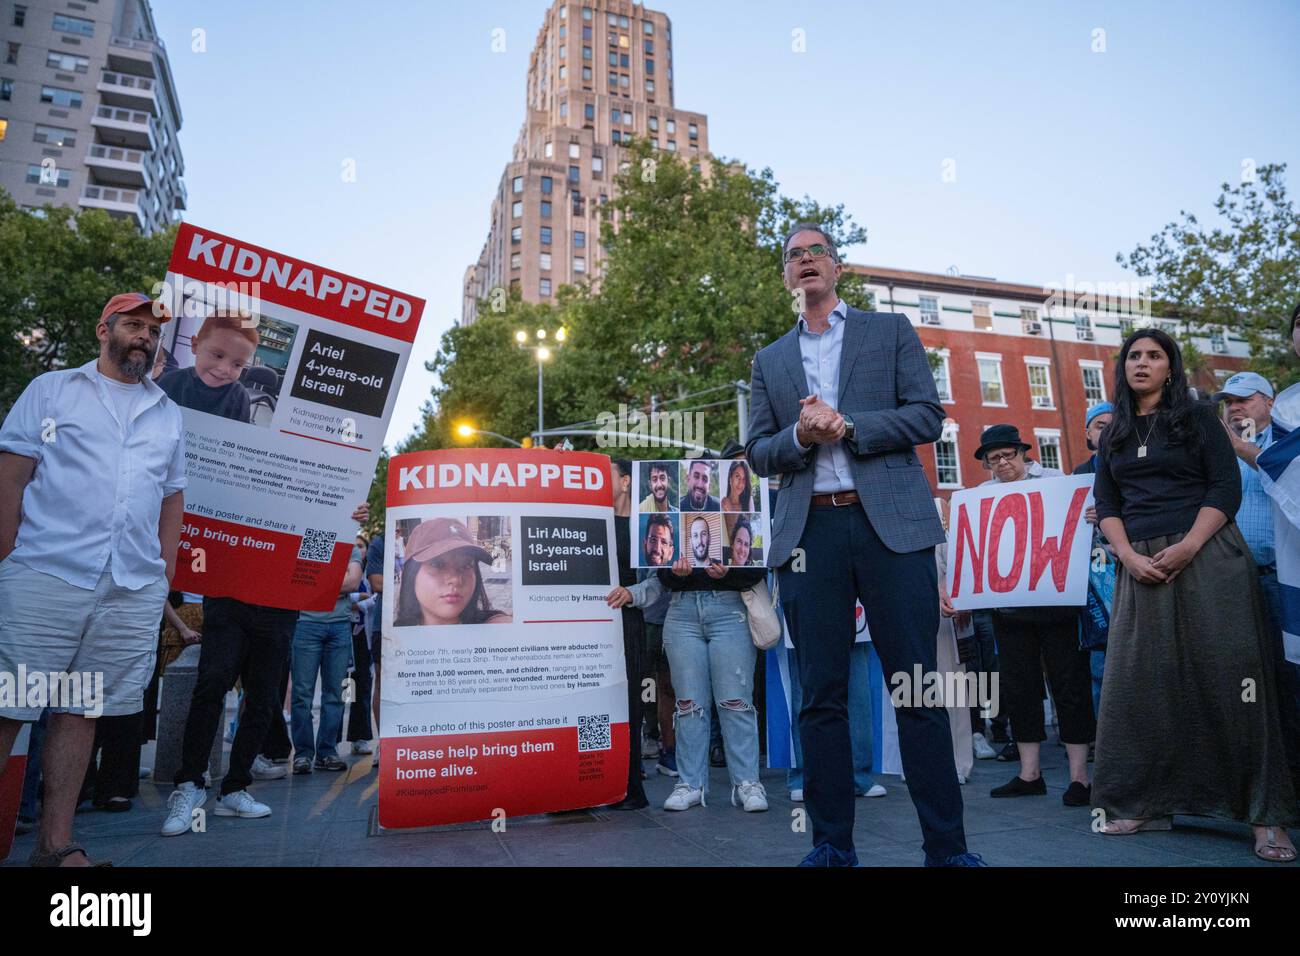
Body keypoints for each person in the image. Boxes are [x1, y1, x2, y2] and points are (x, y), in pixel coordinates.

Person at [747, 222, 977, 867]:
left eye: (817, 251)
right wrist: (799, 436)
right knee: (820, 694)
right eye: (794, 257)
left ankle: (948, 849)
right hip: (809, 535)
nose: (806, 261)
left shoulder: (890, 331)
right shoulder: (770, 359)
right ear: (788, 277)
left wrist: (846, 426)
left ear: (837, 267)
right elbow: (759, 452)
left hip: (892, 529)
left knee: (916, 687)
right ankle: (831, 846)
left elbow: (928, 417)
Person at [1091, 328, 1296, 862]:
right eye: (1133, 355)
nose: (1142, 363)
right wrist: (1127, 556)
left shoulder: (1200, 417)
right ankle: (1143, 803)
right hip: (1141, 566)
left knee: (1235, 681)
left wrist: (1188, 545)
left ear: (1170, 366)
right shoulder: (1114, 432)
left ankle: (1265, 817)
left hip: (1206, 554)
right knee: (1140, 685)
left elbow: (1224, 488)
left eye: (1154, 356)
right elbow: (1107, 502)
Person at [0, 291, 185, 866]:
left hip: (127, 588)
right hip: (47, 575)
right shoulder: (52, 390)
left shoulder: (167, 413)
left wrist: (163, 579)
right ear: (103, 330)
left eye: (152, 332)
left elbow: (172, 500)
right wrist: (4, 560)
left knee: (81, 711)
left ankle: (55, 848)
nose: (144, 338)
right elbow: (10, 479)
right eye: (132, 325)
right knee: (11, 706)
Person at [973, 425, 1096, 806]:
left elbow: (1077, 533)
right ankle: (1030, 774)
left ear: (1023, 453)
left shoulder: (1057, 483)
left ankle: (1080, 778)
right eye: (993, 459)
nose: (1002, 464)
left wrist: (1089, 517)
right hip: (1008, 608)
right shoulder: (981, 497)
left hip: (1057, 603)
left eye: (1008, 455)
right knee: (1019, 686)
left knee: (1070, 685)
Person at [609, 553, 768, 813]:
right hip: (682, 610)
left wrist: (729, 573)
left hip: (731, 609)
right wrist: (675, 573)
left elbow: (759, 568)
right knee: (688, 705)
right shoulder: (675, 518)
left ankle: (748, 783)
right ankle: (690, 784)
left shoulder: (736, 514)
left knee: (736, 703)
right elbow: (662, 576)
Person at [1219, 370, 1300, 793]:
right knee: (1242, 678)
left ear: (1270, 403)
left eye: (1244, 400)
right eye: (1229, 402)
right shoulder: (1219, 451)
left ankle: (1290, 776)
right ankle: (1254, 777)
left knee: (1285, 676)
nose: (1234, 408)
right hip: (1229, 578)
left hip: (1276, 578)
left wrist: (1240, 447)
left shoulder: (1286, 442)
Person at [290, 544, 364, 774]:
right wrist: (336, 582)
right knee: (302, 694)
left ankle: (327, 752)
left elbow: (352, 583)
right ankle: (302, 754)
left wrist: (314, 581)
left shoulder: (349, 547)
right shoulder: (305, 543)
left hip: (339, 626)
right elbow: (294, 581)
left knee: (337, 694)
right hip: (305, 625)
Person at [606, 459, 649, 809]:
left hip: (629, 622)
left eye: (603, 474)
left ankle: (630, 786)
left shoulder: (644, 526)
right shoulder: (590, 522)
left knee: (630, 702)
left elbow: (659, 577)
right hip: (590, 627)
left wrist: (633, 592)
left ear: (624, 482)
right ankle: (591, 780)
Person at [1075, 402, 1115, 718]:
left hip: (1138, 572)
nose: (1108, 430)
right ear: (1088, 432)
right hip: (1094, 587)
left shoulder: (1141, 468)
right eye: (1100, 425)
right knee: (1100, 668)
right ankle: (1106, 747)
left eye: (1115, 423)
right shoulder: (1075, 478)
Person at [395, 519, 510, 626]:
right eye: (437, 565)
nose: (455, 579)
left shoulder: (495, 628)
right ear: (411, 574)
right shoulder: (393, 640)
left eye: (466, 565)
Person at [157, 312, 258, 423]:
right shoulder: (171, 381)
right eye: (218, 355)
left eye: (237, 364)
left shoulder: (240, 398)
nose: (224, 369)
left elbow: (239, 437)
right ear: (195, 345)